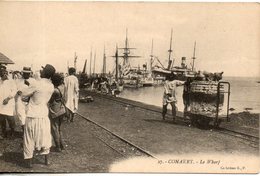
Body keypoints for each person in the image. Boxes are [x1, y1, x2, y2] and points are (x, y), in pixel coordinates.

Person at [20, 64, 55, 168]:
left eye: (43, 70)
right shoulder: (51, 86)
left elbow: (23, 94)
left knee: (29, 138)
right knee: (45, 137)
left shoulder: (36, 84)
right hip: (44, 114)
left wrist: (28, 90)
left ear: (45, 73)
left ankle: (29, 162)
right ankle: (46, 160)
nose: (41, 70)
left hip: (32, 114)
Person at [49, 73, 65, 152]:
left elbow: (51, 101)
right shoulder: (62, 88)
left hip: (55, 109)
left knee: (54, 128)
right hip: (61, 108)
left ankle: (58, 146)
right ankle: (62, 145)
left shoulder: (54, 90)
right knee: (59, 128)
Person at [0, 69, 16, 139]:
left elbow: (14, 91)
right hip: (1, 103)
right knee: (1, 119)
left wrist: (8, 98)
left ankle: (12, 132)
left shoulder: (11, 81)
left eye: (6, 73)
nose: (5, 75)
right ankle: (3, 133)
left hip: (9, 102)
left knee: (10, 118)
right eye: (3, 73)